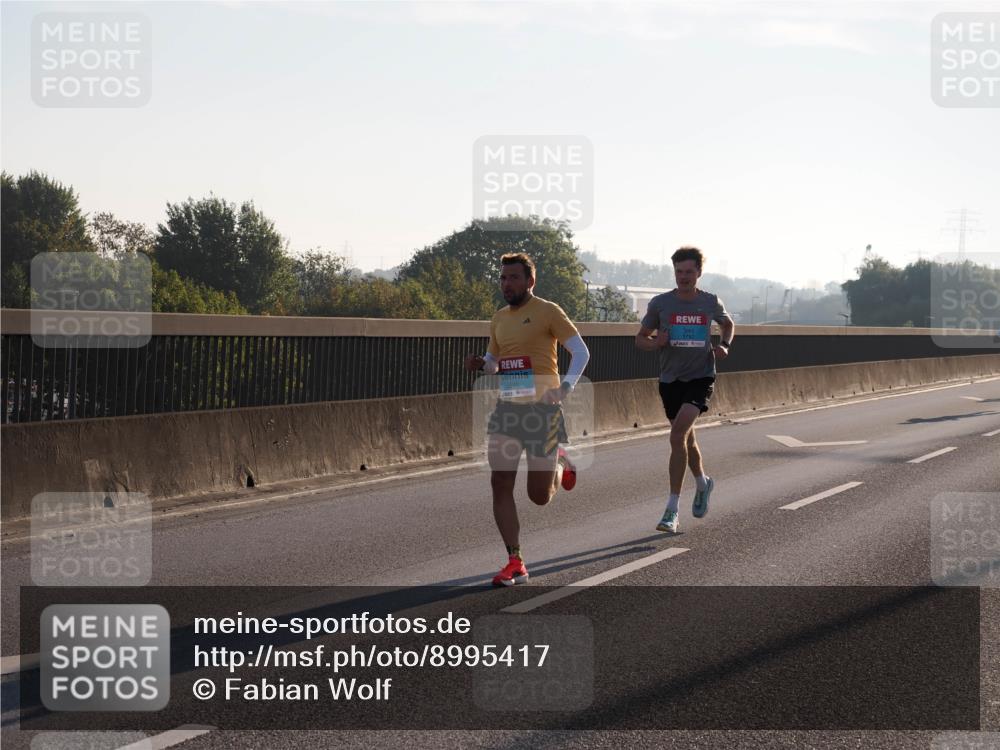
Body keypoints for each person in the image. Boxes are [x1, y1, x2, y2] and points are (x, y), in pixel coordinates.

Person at [464, 253, 590, 586]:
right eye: (503, 278)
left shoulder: (548, 311)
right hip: (508, 409)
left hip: (542, 412)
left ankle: (562, 464)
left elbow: (581, 352)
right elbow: (495, 362)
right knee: (500, 483)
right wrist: (482, 364)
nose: (507, 284)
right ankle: (515, 561)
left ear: (530, 281)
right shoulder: (499, 318)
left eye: (514, 278)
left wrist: (563, 389)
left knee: (539, 495)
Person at [635, 246, 734, 533]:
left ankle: (671, 510)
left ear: (699, 273)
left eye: (689, 272)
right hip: (670, 380)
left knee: (677, 434)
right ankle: (703, 483)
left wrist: (725, 345)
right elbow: (640, 339)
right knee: (686, 440)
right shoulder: (660, 304)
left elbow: (728, 323)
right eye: (679, 272)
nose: (684, 277)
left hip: (700, 376)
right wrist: (656, 342)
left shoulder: (709, 302)